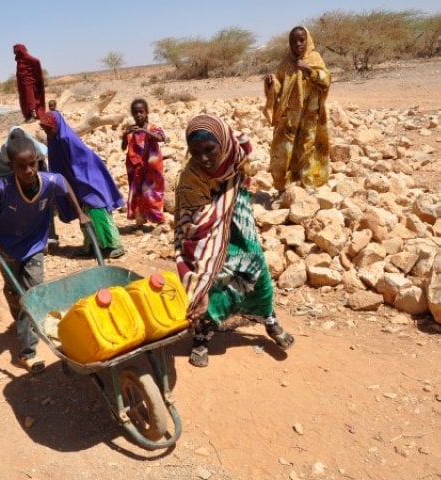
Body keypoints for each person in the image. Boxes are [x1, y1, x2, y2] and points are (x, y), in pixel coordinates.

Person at [175, 114, 294, 368]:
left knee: (255, 262)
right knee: (214, 272)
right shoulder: (191, 180)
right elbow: (196, 230)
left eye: (209, 149)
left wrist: (234, 194)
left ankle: (268, 317)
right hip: (204, 227)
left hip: (237, 212)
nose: (203, 158)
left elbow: (244, 166)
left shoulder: (234, 151)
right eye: (195, 152)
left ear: (224, 144)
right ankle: (202, 334)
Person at [0, 136, 89, 373]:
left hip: (34, 246)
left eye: (33, 164)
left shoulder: (49, 181)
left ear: (38, 161)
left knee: (33, 293)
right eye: (22, 167)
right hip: (7, 248)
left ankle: (27, 352)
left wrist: (80, 213)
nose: (29, 171)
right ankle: (21, 314)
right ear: (12, 167)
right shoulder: (2, 188)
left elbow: (65, 184)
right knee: (14, 292)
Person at [39, 111, 125, 258]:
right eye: (45, 129)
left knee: (97, 211)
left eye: (50, 128)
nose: (48, 132)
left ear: (57, 125)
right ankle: (91, 245)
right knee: (83, 214)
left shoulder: (67, 139)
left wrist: (79, 184)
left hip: (89, 180)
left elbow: (81, 164)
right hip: (75, 182)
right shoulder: (54, 140)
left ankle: (114, 245)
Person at [263, 26, 330, 194]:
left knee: (308, 147)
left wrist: (309, 70)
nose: (298, 44)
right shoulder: (286, 62)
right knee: (284, 149)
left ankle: (309, 185)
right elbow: (279, 85)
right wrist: (271, 84)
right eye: (294, 41)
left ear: (308, 40)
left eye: (301, 40)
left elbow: (326, 80)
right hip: (290, 116)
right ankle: (282, 186)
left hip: (310, 114)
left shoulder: (315, 58)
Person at [121, 98, 167, 227]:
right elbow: (123, 147)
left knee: (152, 192)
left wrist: (145, 132)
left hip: (152, 167)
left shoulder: (153, 128)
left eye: (141, 112)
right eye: (135, 113)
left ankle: (159, 219)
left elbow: (161, 138)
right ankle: (140, 220)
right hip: (136, 168)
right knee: (137, 193)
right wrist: (125, 135)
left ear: (147, 112)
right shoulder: (131, 129)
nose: (138, 115)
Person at [13, 44, 46, 122]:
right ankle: (28, 116)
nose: (15, 52)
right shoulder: (19, 60)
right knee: (24, 99)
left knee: (30, 99)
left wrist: (36, 76)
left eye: (16, 50)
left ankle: (33, 115)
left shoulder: (27, 57)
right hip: (22, 84)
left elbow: (36, 61)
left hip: (29, 83)